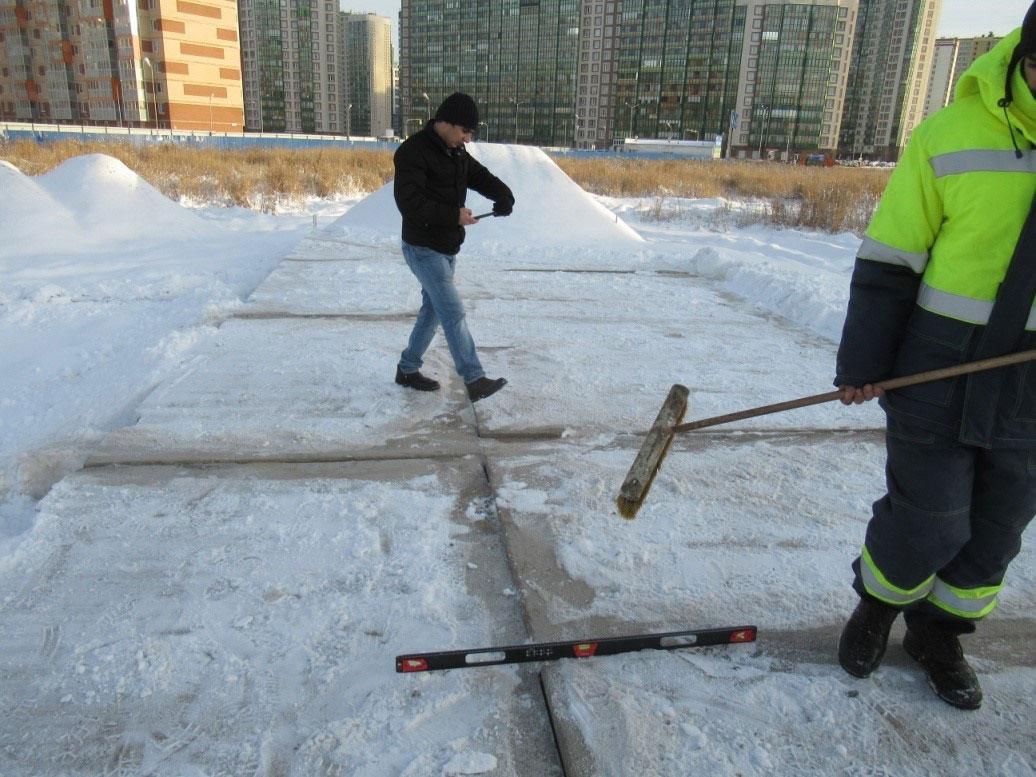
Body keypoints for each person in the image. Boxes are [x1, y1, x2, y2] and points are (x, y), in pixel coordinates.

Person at [834, 5, 1036, 711]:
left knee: (997, 529)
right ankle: (877, 608)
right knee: (928, 518)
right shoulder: (949, 134)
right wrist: (865, 362)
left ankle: (939, 633)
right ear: (1025, 58)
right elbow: (891, 259)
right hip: (940, 365)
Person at [392, 92, 515, 402]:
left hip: (446, 246)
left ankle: (407, 369)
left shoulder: (456, 151)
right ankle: (474, 379)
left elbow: (480, 176)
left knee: (433, 311)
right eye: (465, 131)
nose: (468, 139)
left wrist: (503, 195)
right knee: (452, 311)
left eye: (470, 133)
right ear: (446, 122)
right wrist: (453, 215)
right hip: (422, 247)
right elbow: (409, 203)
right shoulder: (413, 152)